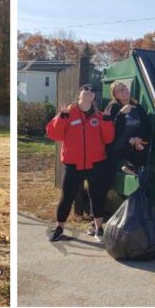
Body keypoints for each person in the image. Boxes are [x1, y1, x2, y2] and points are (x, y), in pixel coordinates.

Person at [45, 84, 115, 242]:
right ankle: (59, 227)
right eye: (86, 89)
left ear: (94, 97)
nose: (90, 91)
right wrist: (61, 117)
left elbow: (108, 138)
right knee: (67, 197)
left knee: (96, 196)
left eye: (92, 90)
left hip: (96, 163)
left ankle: (98, 228)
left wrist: (107, 121)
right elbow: (54, 134)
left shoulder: (99, 115)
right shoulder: (68, 113)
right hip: (73, 164)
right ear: (80, 94)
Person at [95, 81, 150, 236]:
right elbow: (110, 132)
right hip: (114, 151)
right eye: (120, 90)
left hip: (133, 149)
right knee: (104, 185)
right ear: (115, 95)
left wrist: (140, 139)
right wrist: (121, 114)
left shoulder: (138, 108)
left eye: (125, 88)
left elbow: (146, 127)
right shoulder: (113, 108)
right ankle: (96, 223)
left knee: (143, 178)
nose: (124, 91)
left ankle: (136, 219)